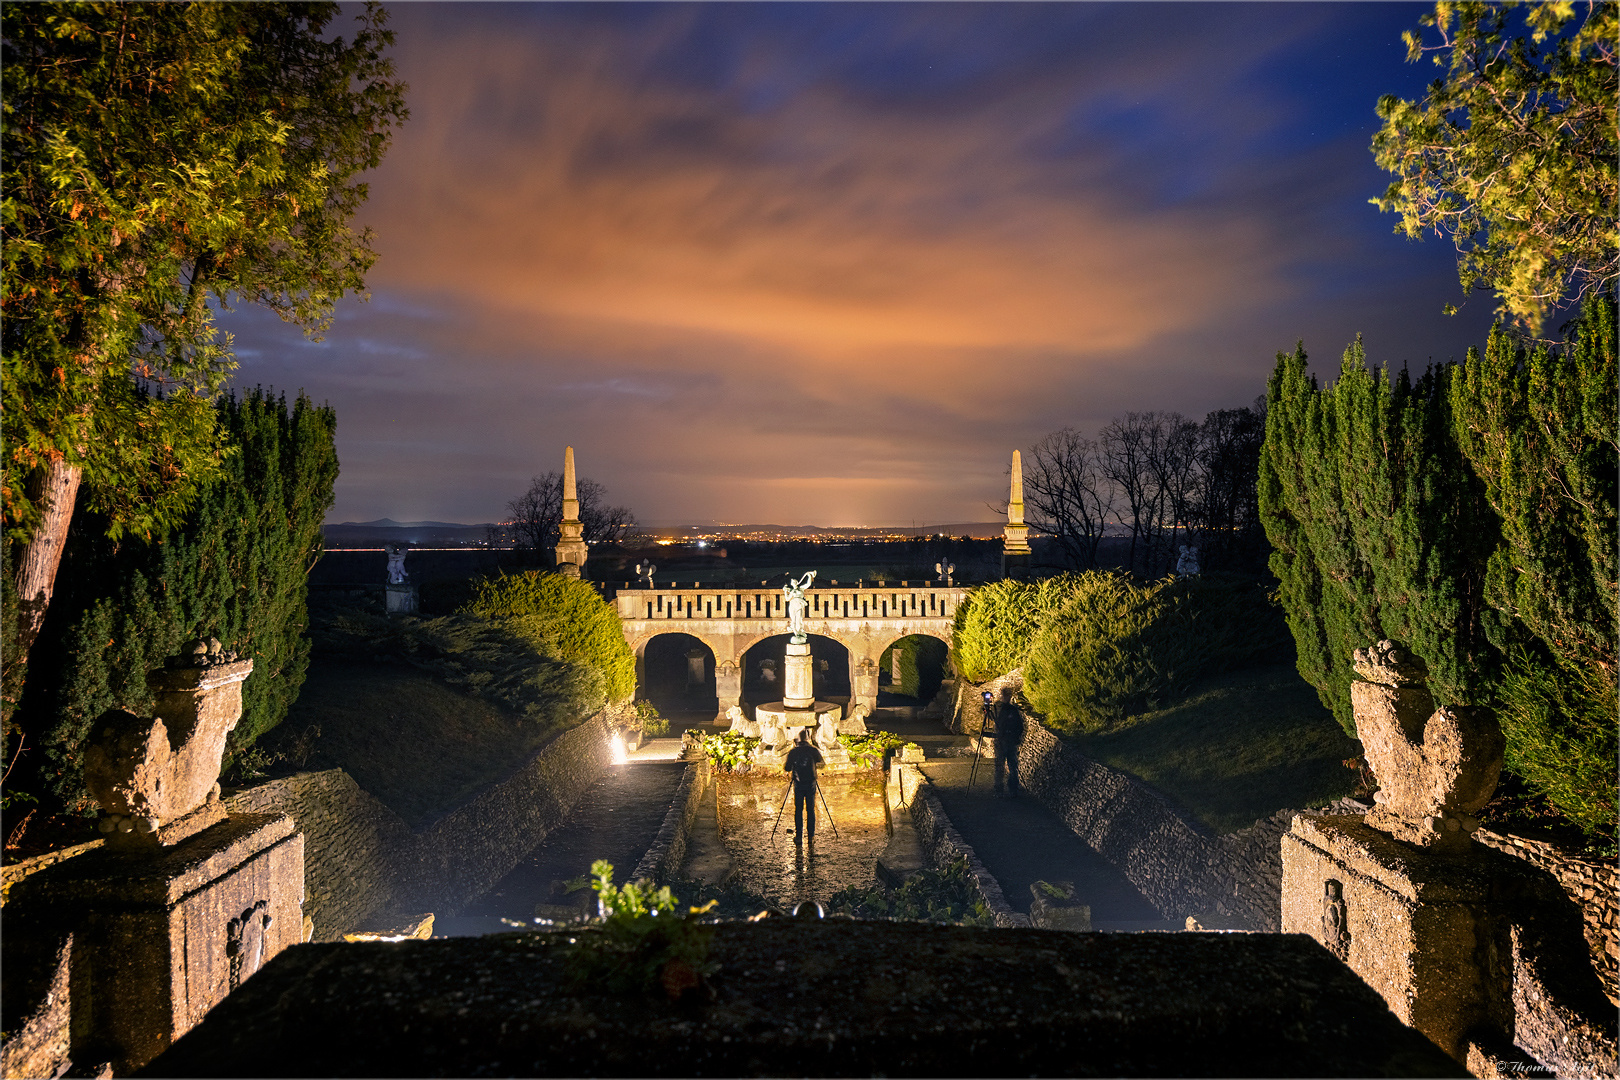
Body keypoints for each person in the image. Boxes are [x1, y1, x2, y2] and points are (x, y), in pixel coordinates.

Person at [783, 728, 824, 844]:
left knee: (798, 809)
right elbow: (821, 763)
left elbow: (787, 768)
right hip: (811, 782)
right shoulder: (813, 750)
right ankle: (811, 836)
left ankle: (799, 836)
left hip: (798, 783)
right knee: (811, 809)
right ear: (808, 739)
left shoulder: (793, 752)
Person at [993, 686, 1025, 798]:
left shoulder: (1010, 710)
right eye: (1004, 695)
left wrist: (1015, 737)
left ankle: (1011, 789)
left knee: (1011, 766)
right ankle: (1001, 790)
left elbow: (1020, 727)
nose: (1005, 697)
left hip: (1007, 741)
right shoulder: (998, 708)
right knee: (1001, 766)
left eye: (1007, 695)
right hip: (1003, 741)